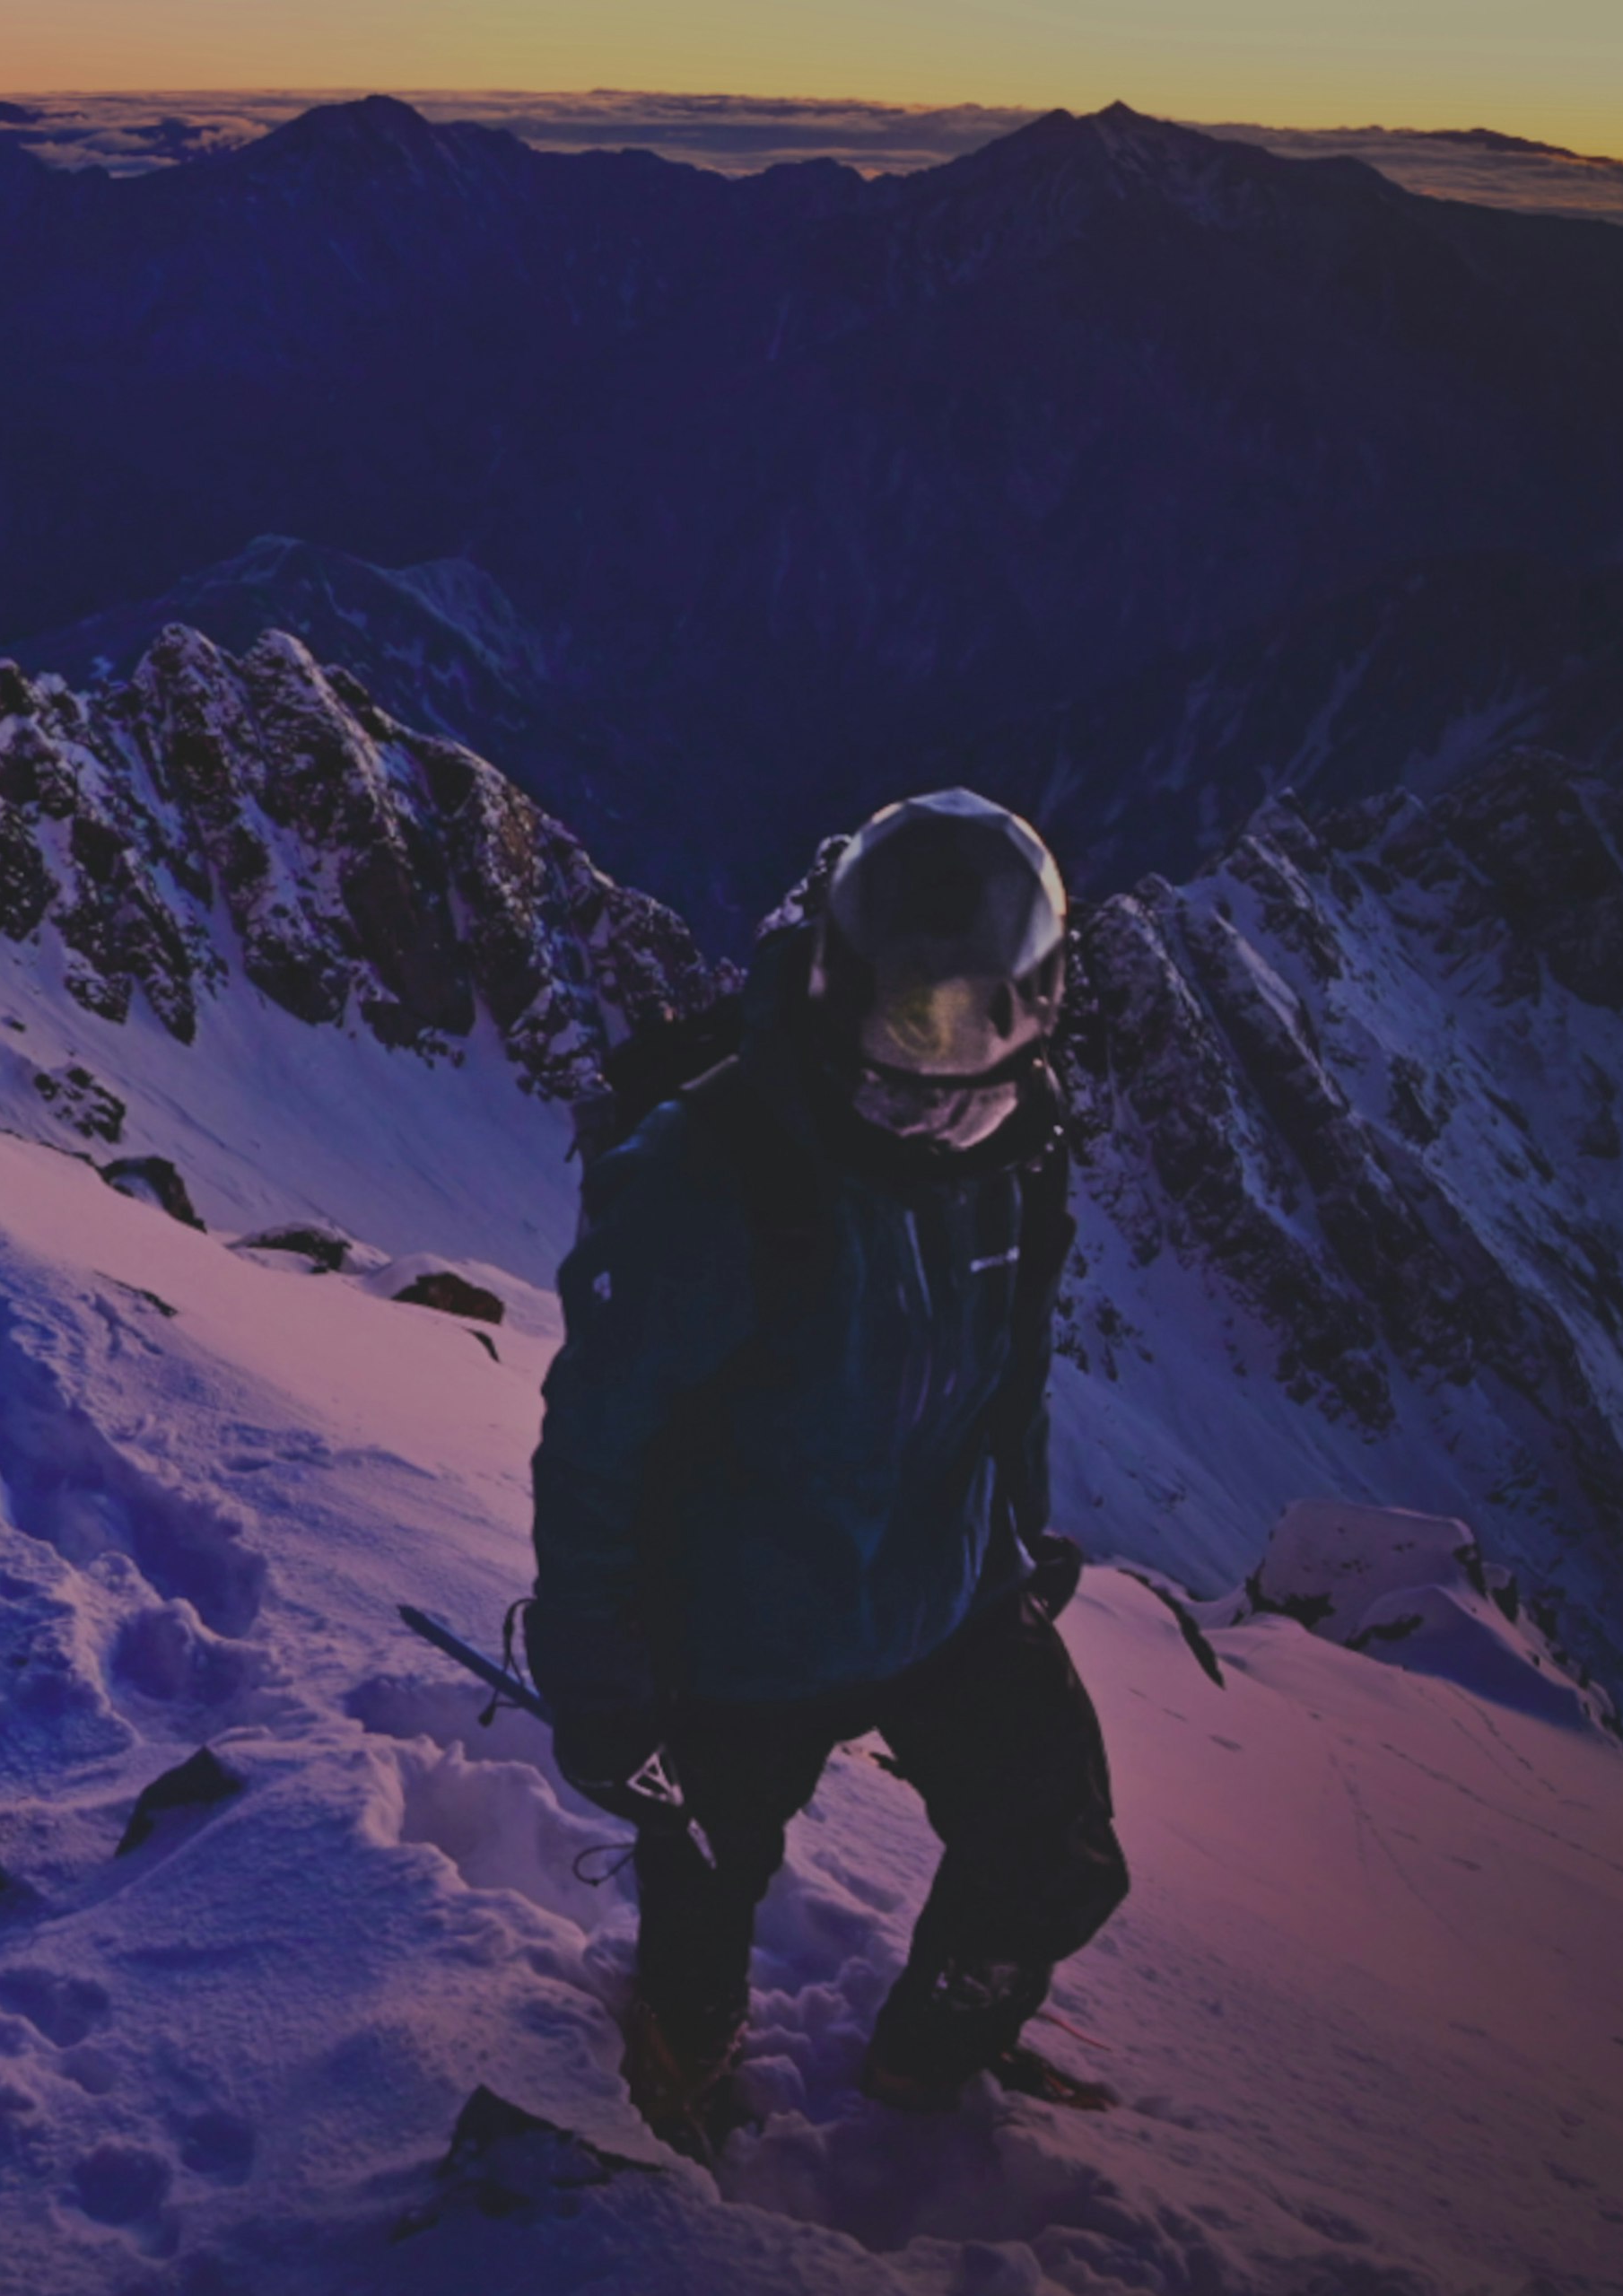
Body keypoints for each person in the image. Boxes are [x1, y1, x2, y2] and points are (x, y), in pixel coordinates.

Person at [527, 788, 1128, 2158]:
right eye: (906, 1021)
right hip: (740, 1630)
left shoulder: (1017, 1157)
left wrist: (1017, 1546)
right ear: (831, 982)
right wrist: (601, 1677)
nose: (934, 1081)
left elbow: (1002, 1373)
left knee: (1053, 1850)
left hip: (947, 1590)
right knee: (705, 1888)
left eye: (981, 1024)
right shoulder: (711, 1165)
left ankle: (937, 2056)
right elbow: (599, 1436)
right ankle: (685, 2049)